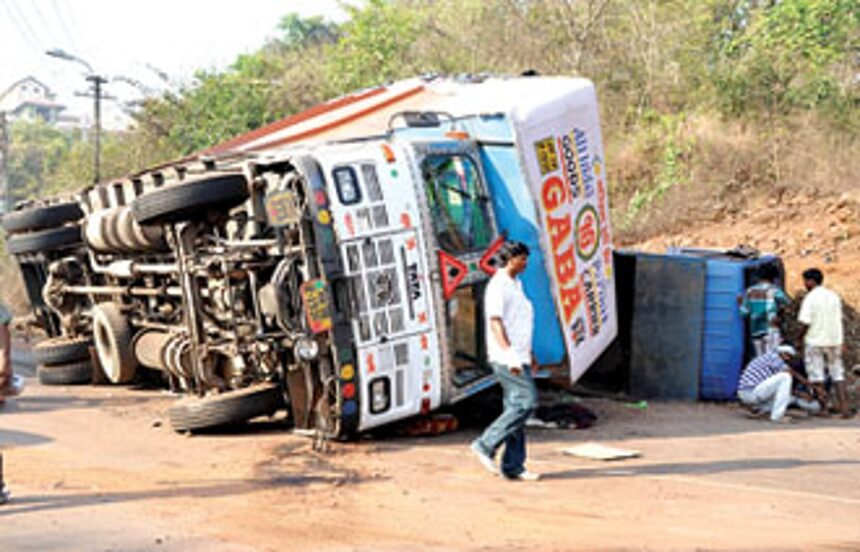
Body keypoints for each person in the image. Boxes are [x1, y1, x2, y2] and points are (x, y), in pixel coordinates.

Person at [470, 241, 539, 481]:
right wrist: (510, 355)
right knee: (527, 402)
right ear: (510, 259)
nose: (525, 263)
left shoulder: (516, 284)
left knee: (514, 408)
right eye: (522, 259)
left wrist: (529, 353)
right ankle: (485, 444)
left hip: (520, 355)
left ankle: (513, 466)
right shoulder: (498, 286)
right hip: (507, 358)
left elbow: (519, 322)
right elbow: (495, 322)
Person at [796, 268, 851, 418]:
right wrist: (842, 340)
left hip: (815, 341)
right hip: (834, 340)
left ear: (811, 281)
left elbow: (805, 322)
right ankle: (845, 409)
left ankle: (824, 408)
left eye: (805, 281)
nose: (805, 284)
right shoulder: (834, 296)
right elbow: (840, 319)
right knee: (838, 374)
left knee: (817, 375)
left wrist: (798, 339)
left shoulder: (810, 298)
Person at [737, 344, 814, 422]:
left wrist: (799, 394)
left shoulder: (768, 357)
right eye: (789, 356)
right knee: (785, 376)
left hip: (750, 393)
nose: (788, 360)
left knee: (789, 398)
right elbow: (791, 373)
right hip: (751, 392)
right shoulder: (774, 357)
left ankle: (758, 409)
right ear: (783, 353)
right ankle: (777, 416)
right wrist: (812, 385)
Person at [738, 264, 790, 356]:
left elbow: (744, 313)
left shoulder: (750, 291)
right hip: (771, 329)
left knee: (760, 358)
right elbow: (788, 305)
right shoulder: (775, 290)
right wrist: (780, 315)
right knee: (772, 357)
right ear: (774, 277)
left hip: (755, 330)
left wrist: (741, 303)